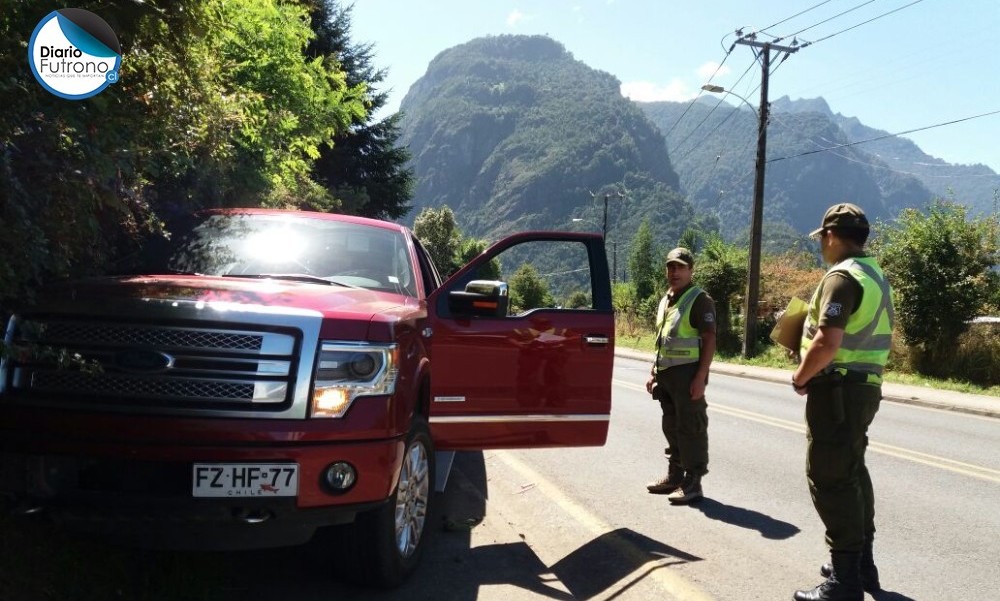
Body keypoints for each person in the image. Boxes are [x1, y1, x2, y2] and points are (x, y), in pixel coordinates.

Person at [791, 203, 894, 601]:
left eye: (822, 240)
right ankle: (861, 565)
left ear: (832, 236)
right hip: (864, 387)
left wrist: (800, 376)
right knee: (852, 473)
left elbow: (827, 341)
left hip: (837, 390)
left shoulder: (842, 277)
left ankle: (845, 581)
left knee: (830, 478)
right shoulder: (876, 275)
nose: (822, 248)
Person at [645, 247, 716, 504]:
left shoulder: (699, 299)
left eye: (680, 267)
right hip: (666, 376)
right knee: (671, 426)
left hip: (688, 376)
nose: (674, 272)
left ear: (690, 270)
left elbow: (709, 338)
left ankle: (693, 482)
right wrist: (654, 369)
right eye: (670, 267)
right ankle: (675, 475)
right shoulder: (666, 299)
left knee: (691, 428)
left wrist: (700, 377)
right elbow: (663, 339)